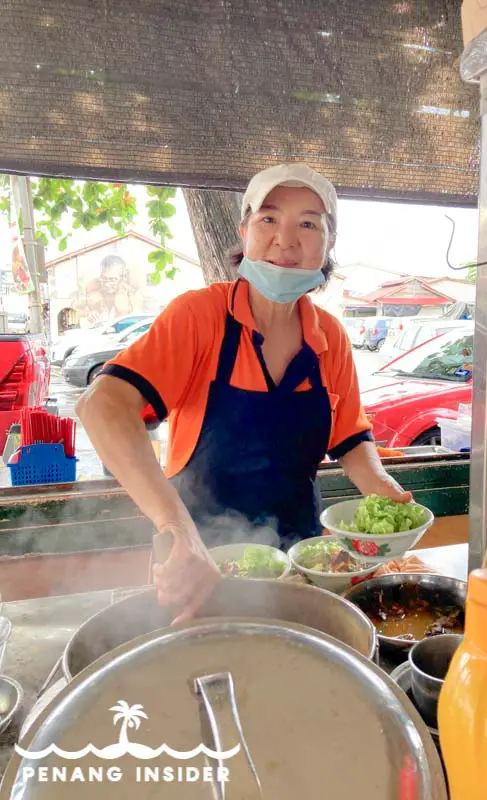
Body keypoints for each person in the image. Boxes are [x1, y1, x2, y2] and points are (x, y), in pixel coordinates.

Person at [76, 163, 412, 623]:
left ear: (328, 244)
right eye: (268, 219)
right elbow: (102, 406)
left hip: (303, 560)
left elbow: (350, 439)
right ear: (245, 231)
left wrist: (381, 490)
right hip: (198, 562)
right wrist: (177, 530)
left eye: (308, 224)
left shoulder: (330, 337)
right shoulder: (200, 316)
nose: (286, 239)